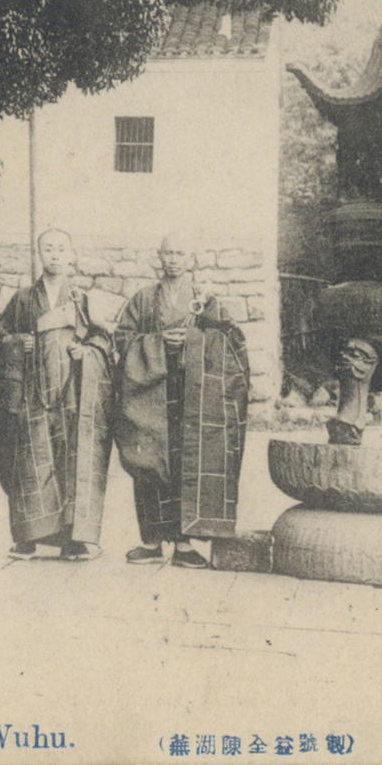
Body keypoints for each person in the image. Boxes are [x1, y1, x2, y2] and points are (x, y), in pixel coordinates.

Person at [111, 231, 251, 568]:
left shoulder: (205, 300)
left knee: (187, 461)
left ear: (191, 259)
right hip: (150, 393)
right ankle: (150, 540)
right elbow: (123, 338)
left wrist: (193, 339)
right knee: (149, 463)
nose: (174, 259)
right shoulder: (144, 300)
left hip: (194, 395)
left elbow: (232, 339)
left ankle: (185, 542)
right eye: (168, 253)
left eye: (180, 253)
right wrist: (158, 342)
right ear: (158, 256)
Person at [0, 228, 114, 561]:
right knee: (30, 463)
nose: (55, 255)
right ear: (40, 255)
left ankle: (74, 540)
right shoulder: (24, 298)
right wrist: (18, 344)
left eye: (60, 249)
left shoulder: (82, 299)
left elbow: (103, 340)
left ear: (71, 255)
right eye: (48, 249)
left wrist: (85, 351)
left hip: (72, 393)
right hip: (33, 392)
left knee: (72, 462)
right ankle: (27, 537)